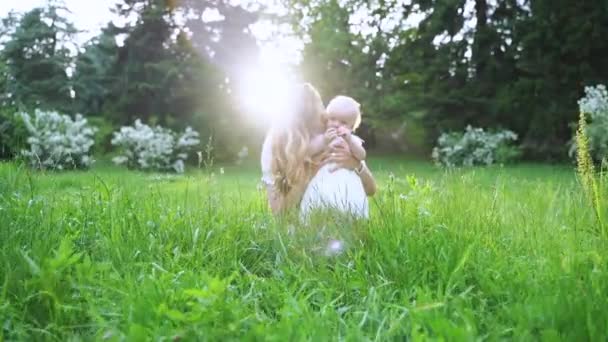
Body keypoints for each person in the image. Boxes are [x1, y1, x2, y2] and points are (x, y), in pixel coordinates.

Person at [260, 84, 376, 216]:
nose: (333, 126)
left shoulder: (337, 132)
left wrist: (356, 165)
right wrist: (311, 168)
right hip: (308, 217)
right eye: (330, 120)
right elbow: (279, 213)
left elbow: (371, 190)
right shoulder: (276, 144)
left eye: (325, 119)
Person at [300, 95, 369, 219]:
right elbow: (308, 151)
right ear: (326, 119)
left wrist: (350, 141)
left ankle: (350, 220)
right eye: (332, 119)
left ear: (352, 127)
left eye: (343, 122)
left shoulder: (352, 140)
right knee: (320, 203)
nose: (336, 124)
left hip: (347, 180)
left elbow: (362, 155)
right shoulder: (323, 137)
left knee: (348, 205)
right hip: (324, 177)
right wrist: (324, 141)